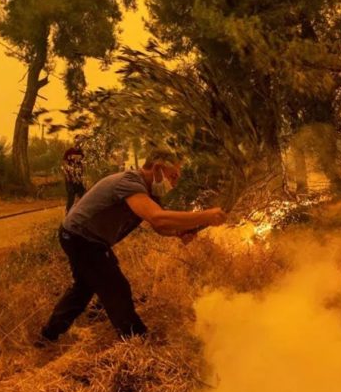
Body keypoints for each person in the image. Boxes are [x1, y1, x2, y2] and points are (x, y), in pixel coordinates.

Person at [39, 148, 226, 343]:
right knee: (115, 287)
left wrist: (180, 232)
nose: (175, 183)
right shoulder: (130, 183)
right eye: (173, 176)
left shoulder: (149, 191)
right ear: (157, 169)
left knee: (84, 288)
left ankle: (47, 336)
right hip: (81, 237)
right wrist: (206, 215)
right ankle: (136, 339)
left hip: (82, 237)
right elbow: (158, 219)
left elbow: (160, 226)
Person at [62, 140, 86, 213]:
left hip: (78, 178)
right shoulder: (68, 152)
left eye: (79, 143)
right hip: (70, 178)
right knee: (71, 196)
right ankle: (68, 213)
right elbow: (64, 163)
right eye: (76, 143)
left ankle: (81, 212)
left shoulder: (81, 153)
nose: (78, 145)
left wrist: (82, 175)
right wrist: (67, 175)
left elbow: (83, 164)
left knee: (82, 196)